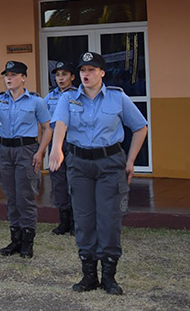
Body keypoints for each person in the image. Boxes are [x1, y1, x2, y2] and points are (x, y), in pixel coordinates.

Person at [49, 52, 148, 295]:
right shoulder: (69, 98)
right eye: (83, 70)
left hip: (109, 164)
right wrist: (56, 149)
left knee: (109, 219)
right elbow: (60, 124)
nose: (86, 74)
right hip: (79, 164)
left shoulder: (117, 97)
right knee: (83, 219)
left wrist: (131, 160)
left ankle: (110, 277)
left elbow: (140, 127)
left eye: (92, 70)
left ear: (102, 73)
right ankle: (89, 276)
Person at [0, 61, 52, 259]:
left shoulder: (35, 102)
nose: (9, 78)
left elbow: (48, 127)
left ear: (23, 78)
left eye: (13, 75)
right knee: (11, 197)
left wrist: (40, 152)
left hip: (27, 150)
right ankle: (15, 240)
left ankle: (27, 242)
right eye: (6, 75)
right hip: (6, 150)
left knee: (25, 197)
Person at [45, 61, 76, 235]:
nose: (60, 78)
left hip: (72, 142)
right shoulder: (50, 97)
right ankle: (64, 220)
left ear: (72, 77)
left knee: (75, 181)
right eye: (57, 75)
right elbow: (44, 119)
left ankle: (76, 221)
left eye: (64, 74)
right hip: (55, 143)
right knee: (58, 181)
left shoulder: (79, 95)